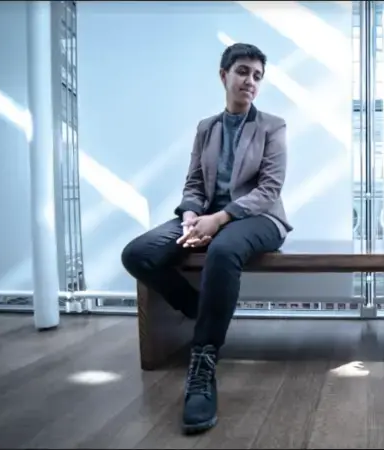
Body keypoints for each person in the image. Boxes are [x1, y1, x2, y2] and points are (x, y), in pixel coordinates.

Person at [121, 43, 291, 435]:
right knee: (139, 254)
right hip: (207, 216)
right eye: (243, 71)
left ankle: (203, 359)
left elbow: (269, 189)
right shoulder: (206, 128)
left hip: (259, 218)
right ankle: (198, 307)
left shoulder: (273, 126)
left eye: (257, 76)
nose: (250, 81)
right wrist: (192, 216)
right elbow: (195, 182)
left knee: (224, 249)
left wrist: (219, 219)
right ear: (223, 75)